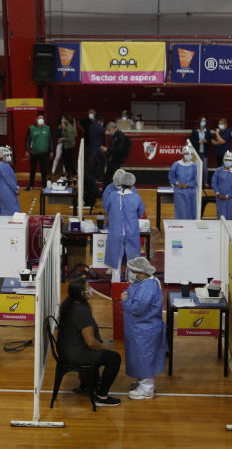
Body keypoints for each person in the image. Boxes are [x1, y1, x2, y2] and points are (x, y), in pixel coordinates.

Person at [56, 276, 121, 406]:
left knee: (101, 352)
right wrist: (104, 347)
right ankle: (101, 396)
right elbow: (91, 342)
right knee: (114, 358)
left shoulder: (69, 305)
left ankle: (87, 385)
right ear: (82, 293)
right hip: (75, 354)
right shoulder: (82, 311)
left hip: (66, 351)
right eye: (88, 288)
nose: (91, 290)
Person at [121, 257, 167, 400]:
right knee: (140, 358)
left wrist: (125, 300)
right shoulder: (145, 281)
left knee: (145, 358)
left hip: (145, 331)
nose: (134, 275)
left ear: (143, 271)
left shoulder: (148, 287)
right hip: (138, 329)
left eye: (136, 272)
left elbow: (138, 308)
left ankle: (147, 390)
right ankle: (143, 382)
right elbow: (131, 289)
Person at [105, 172, 145, 282]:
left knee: (115, 260)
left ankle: (115, 284)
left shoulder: (112, 196)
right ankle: (131, 283)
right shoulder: (136, 198)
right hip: (131, 231)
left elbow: (108, 210)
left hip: (116, 232)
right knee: (132, 260)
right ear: (132, 184)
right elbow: (140, 213)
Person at [168, 145, 198, 220]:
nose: (188, 155)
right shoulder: (176, 164)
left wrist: (188, 184)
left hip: (191, 192)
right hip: (179, 191)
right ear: (183, 154)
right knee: (181, 211)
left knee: (191, 210)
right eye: (187, 154)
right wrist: (177, 183)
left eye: (190, 154)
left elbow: (196, 179)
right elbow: (171, 176)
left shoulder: (194, 166)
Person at [25, 112, 53, 190]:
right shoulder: (31, 128)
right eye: (39, 118)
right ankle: (31, 185)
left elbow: (50, 140)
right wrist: (27, 150)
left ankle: (44, 186)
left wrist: (51, 150)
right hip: (34, 152)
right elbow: (27, 140)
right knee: (32, 169)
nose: (41, 120)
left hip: (44, 153)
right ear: (36, 119)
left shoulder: (47, 128)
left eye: (42, 118)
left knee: (44, 170)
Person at [212, 150, 232, 220]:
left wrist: (228, 195)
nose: (227, 161)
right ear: (223, 160)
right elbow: (214, 182)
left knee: (230, 216)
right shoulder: (218, 170)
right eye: (226, 159)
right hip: (220, 198)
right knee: (221, 216)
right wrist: (217, 193)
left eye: (229, 160)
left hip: (231, 199)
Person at [0, 146, 21, 216]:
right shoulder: (3, 166)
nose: (9, 157)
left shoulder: (1, 165)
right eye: (7, 155)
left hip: (2, 193)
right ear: (2, 156)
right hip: (7, 194)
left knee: (3, 212)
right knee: (10, 213)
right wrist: (16, 189)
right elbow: (10, 180)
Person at [101, 121, 130, 188]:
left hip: (116, 160)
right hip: (112, 160)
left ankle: (110, 191)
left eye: (109, 130)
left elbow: (119, 149)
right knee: (107, 177)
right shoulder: (115, 136)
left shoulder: (120, 136)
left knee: (112, 177)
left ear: (113, 128)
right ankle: (105, 191)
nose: (108, 132)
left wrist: (107, 149)